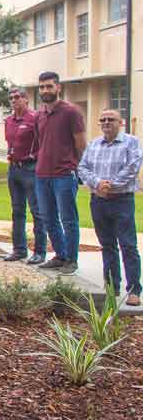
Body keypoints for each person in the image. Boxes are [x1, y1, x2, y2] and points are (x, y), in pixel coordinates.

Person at [78, 109, 142, 305]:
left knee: (128, 245)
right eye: (102, 119)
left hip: (122, 200)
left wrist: (110, 185)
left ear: (120, 122)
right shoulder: (93, 144)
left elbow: (133, 167)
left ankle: (134, 290)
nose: (106, 122)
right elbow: (82, 167)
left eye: (111, 119)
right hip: (98, 201)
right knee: (107, 245)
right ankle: (112, 286)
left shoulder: (131, 142)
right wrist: (98, 184)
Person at [35, 71, 87, 275]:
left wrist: (79, 170)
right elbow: (41, 142)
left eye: (49, 86)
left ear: (59, 87)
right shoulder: (39, 114)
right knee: (48, 218)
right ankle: (60, 255)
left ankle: (71, 259)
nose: (45, 90)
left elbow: (81, 144)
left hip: (64, 174)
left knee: (68, 218)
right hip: (42, 174)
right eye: (42, 87)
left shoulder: (71, 112)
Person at [3, 87, 47, 263]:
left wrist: (34, 158)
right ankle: (19, 249)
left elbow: (43, 143)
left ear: (26, 99)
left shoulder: (35, 118)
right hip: (14, 169)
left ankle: (40, 251)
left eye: (17, 97)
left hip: (31, 169)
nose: (14, 100)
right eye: (11, 98)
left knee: (37, 211)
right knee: (17, 210)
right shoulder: (8, 120)